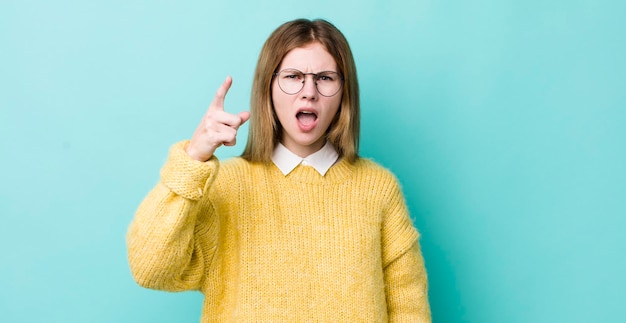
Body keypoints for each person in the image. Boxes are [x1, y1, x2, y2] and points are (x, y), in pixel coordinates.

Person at [127, 18, 431, 322]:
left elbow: (409, 309)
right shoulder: (225, 186)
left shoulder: (378, 189)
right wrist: (193, 158)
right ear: (268, 88)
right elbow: (150, 269)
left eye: (325, 78)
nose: (309, 91)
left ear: (344, 92)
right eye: (293, 76)